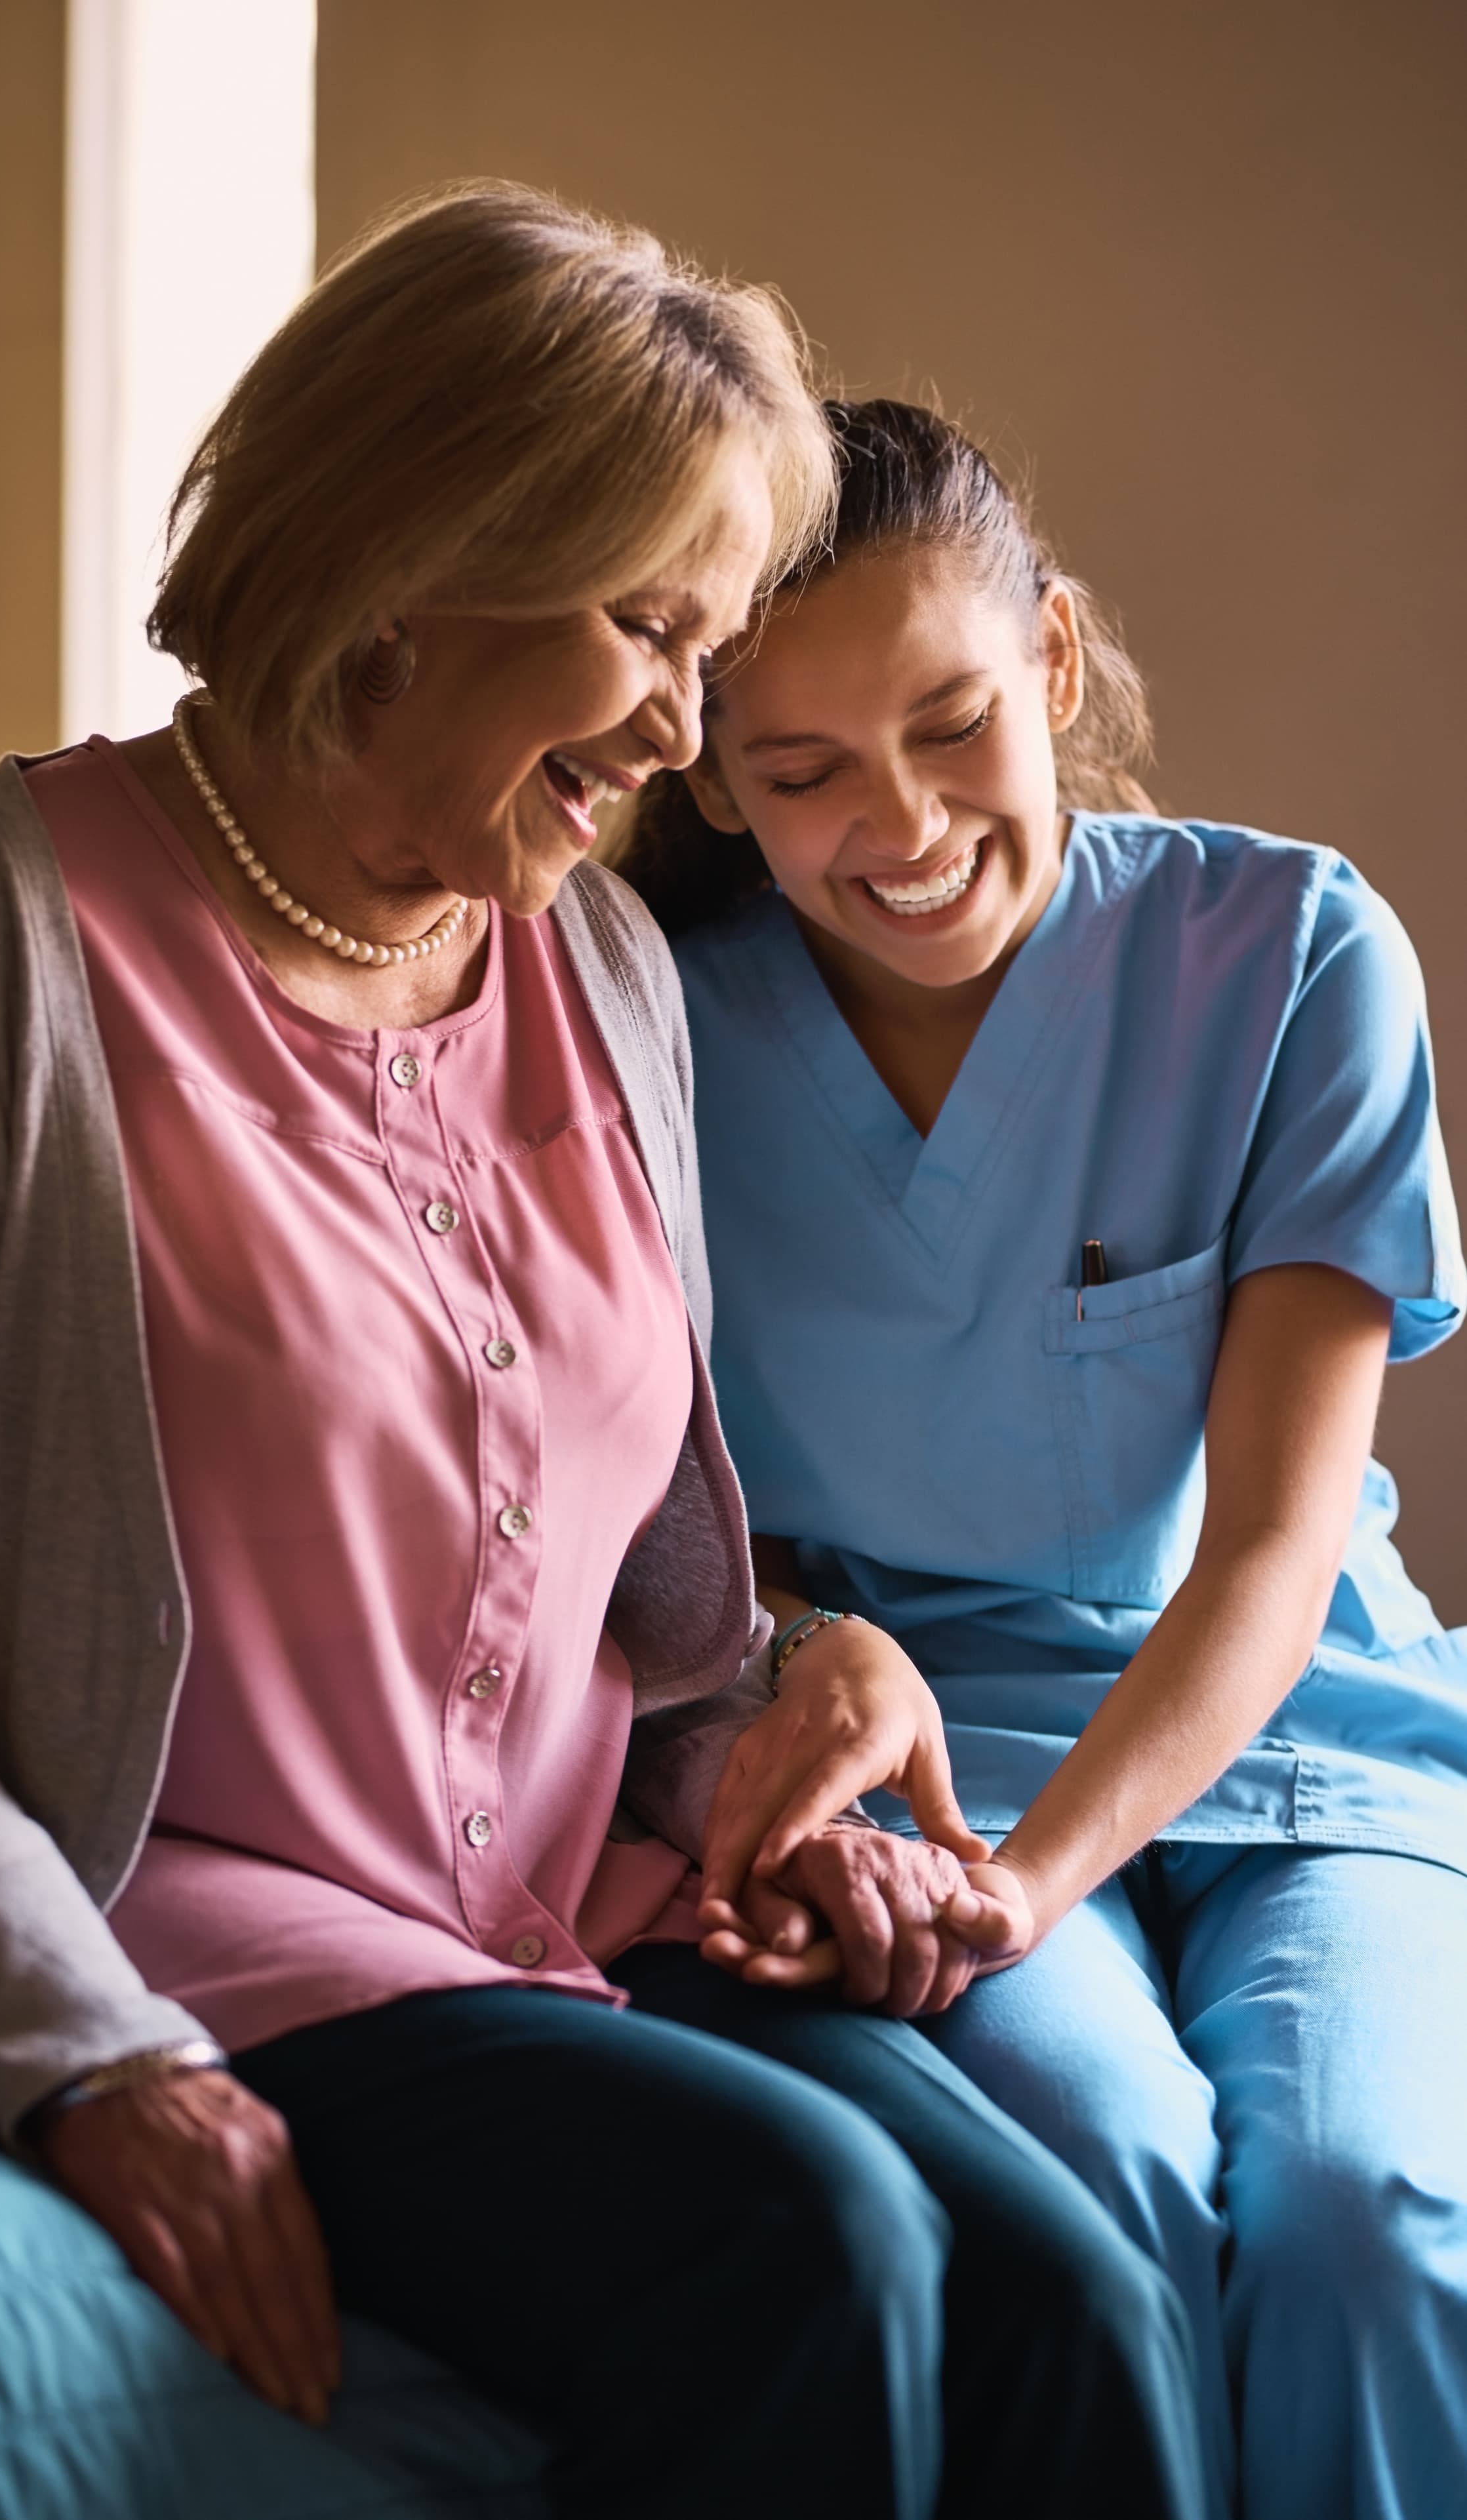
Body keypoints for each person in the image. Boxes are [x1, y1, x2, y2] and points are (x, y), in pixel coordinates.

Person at [0, 198, 1202, 2520]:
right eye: (648, 630)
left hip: (559, 1910)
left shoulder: (604, 979)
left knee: (1081, 2299)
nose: (683, 727)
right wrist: (79, 2051)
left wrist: (776, 1722)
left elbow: (616, 1619)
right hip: (207, 1926)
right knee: (807, 2238)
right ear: (406, 562)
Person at [622, 395, 1467, 2520]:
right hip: (933, 1753)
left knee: (1369, 2219)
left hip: (1306, 1732)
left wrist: (1031, 1884)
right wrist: (905, 1787)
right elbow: (643, 1513)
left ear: (1058, 667)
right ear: (714, 776)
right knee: (1103, 2192)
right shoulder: (648, 1029)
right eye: (799, 771)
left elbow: (1274, 1548)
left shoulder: (1287, 955)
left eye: (951, 724)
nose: (894, 825)